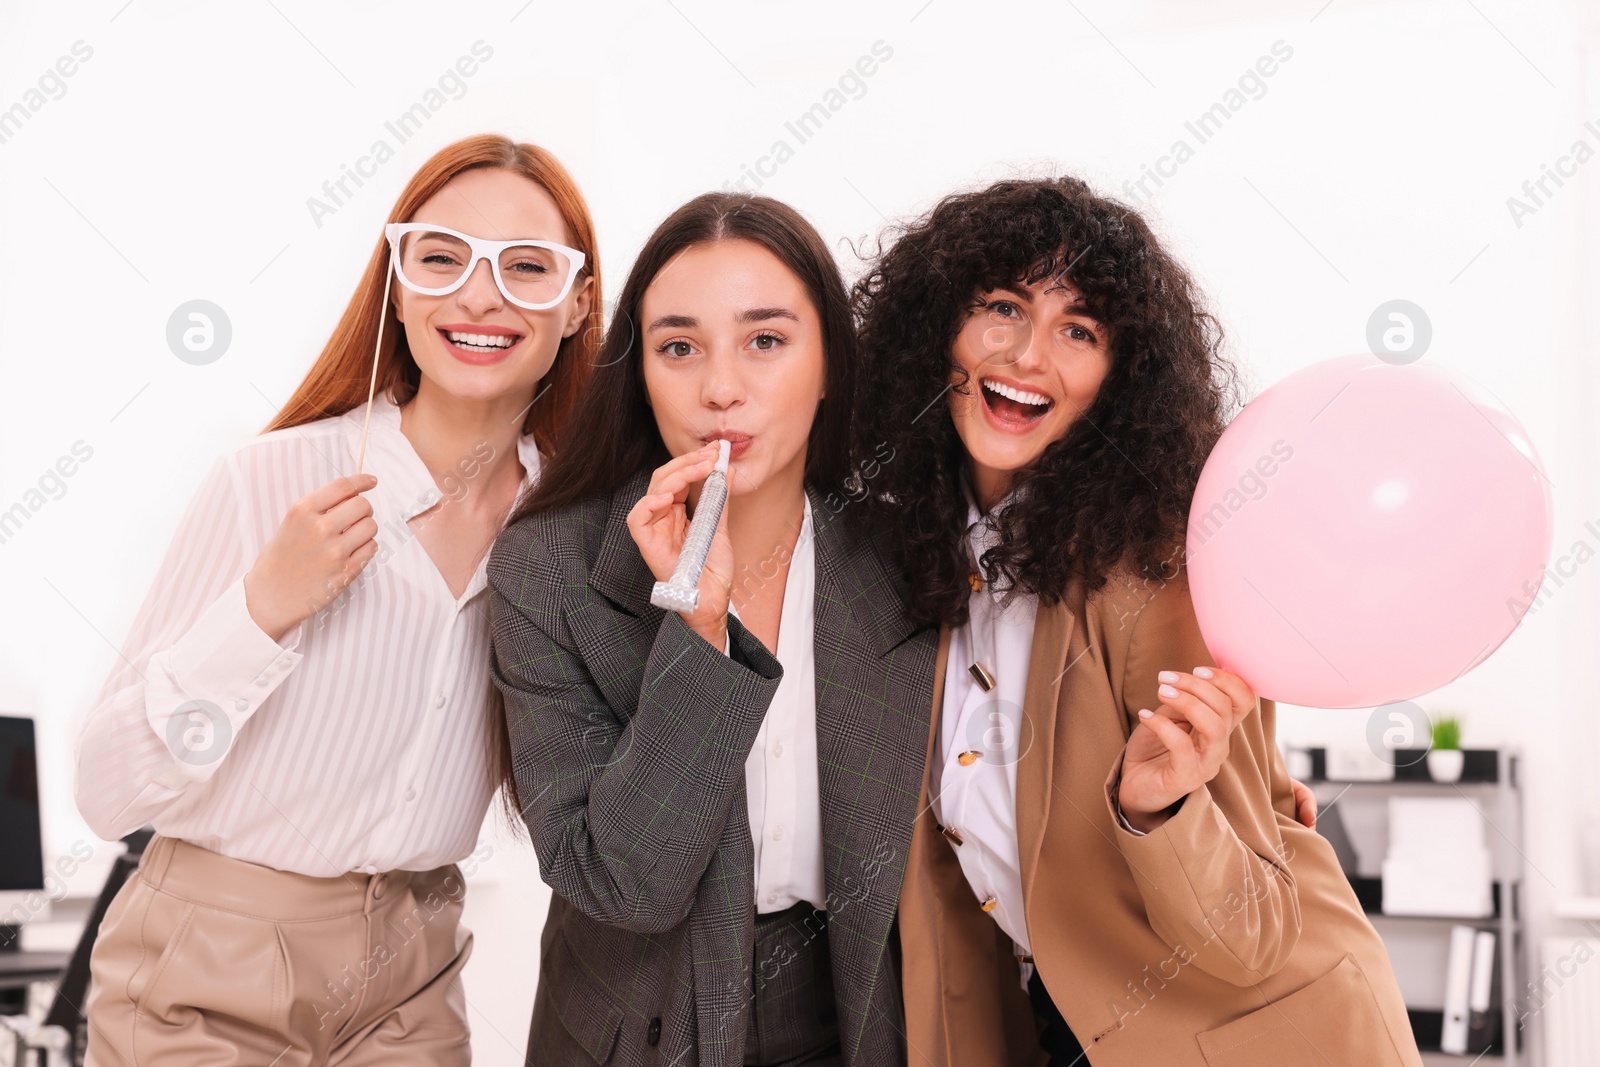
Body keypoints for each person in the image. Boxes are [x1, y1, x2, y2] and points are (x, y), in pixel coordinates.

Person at [852, 176, 1422, 1066]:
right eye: (1002, 307)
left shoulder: (1157, 567)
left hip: (1259, 1034)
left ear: (1119, 377)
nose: (1030, 355)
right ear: (939, 329)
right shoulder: (917, 554)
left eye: (1078, 329)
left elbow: (1252, 936)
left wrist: (1161, 809)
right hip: (1070, 1024)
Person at [73, 134, 600, 1066]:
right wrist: (263, 607)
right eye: (442, 258)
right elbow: (106, 790)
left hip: (411, 979)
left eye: (527, 268)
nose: (481, 295)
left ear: (576, 302)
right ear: (397, 285)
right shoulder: (271, 481)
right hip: (206, 968)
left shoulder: (573, 533)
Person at [487, 192, 933, 1067]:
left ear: (830, 361)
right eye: (679, 347)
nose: (720, 388)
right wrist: (700, 626)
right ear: (639, 371)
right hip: (639, 1028)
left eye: (765, 340)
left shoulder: (906, 559)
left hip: (857, 1014)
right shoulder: (550, 567)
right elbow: (622, 883)